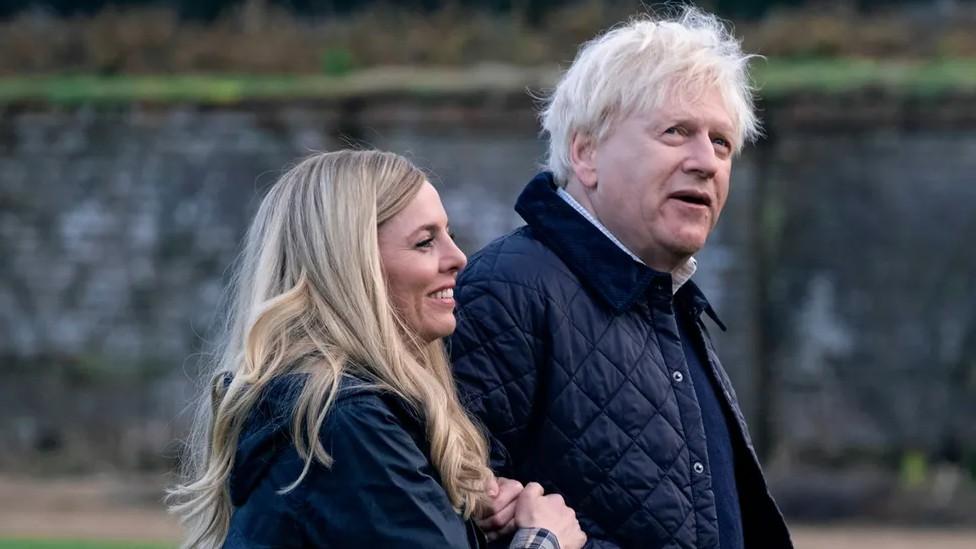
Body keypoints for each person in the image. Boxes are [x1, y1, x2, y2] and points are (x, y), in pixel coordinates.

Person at [449, 8, 792, 549]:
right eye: (676, 132)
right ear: (586, 153)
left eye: (722, 143)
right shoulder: (508, 290)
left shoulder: (669, 298)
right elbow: (454, 520)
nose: (707, 161)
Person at [168, 150, 586, 549]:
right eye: (425, 242)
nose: (458, 257)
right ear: (352, 268)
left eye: (449, 236)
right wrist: (545, 537)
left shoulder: (328, 411)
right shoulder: (343, 421)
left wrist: (461, 525)